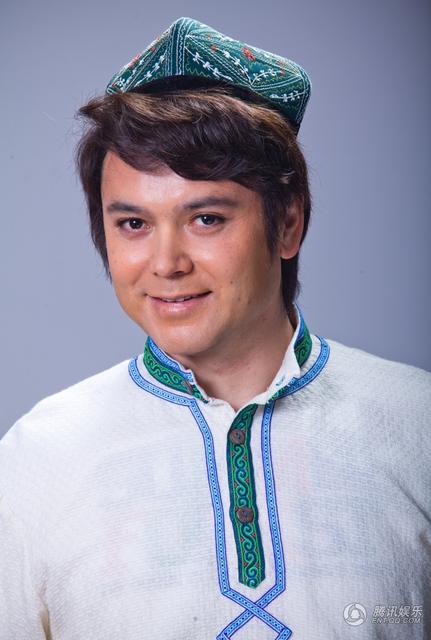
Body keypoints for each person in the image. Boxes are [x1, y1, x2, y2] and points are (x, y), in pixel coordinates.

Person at [0, 16, 429, 640]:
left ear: (287, 223)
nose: (166, 264)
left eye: (205, 219)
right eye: (133, 225)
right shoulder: (38, 458)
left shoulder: (416, 424)